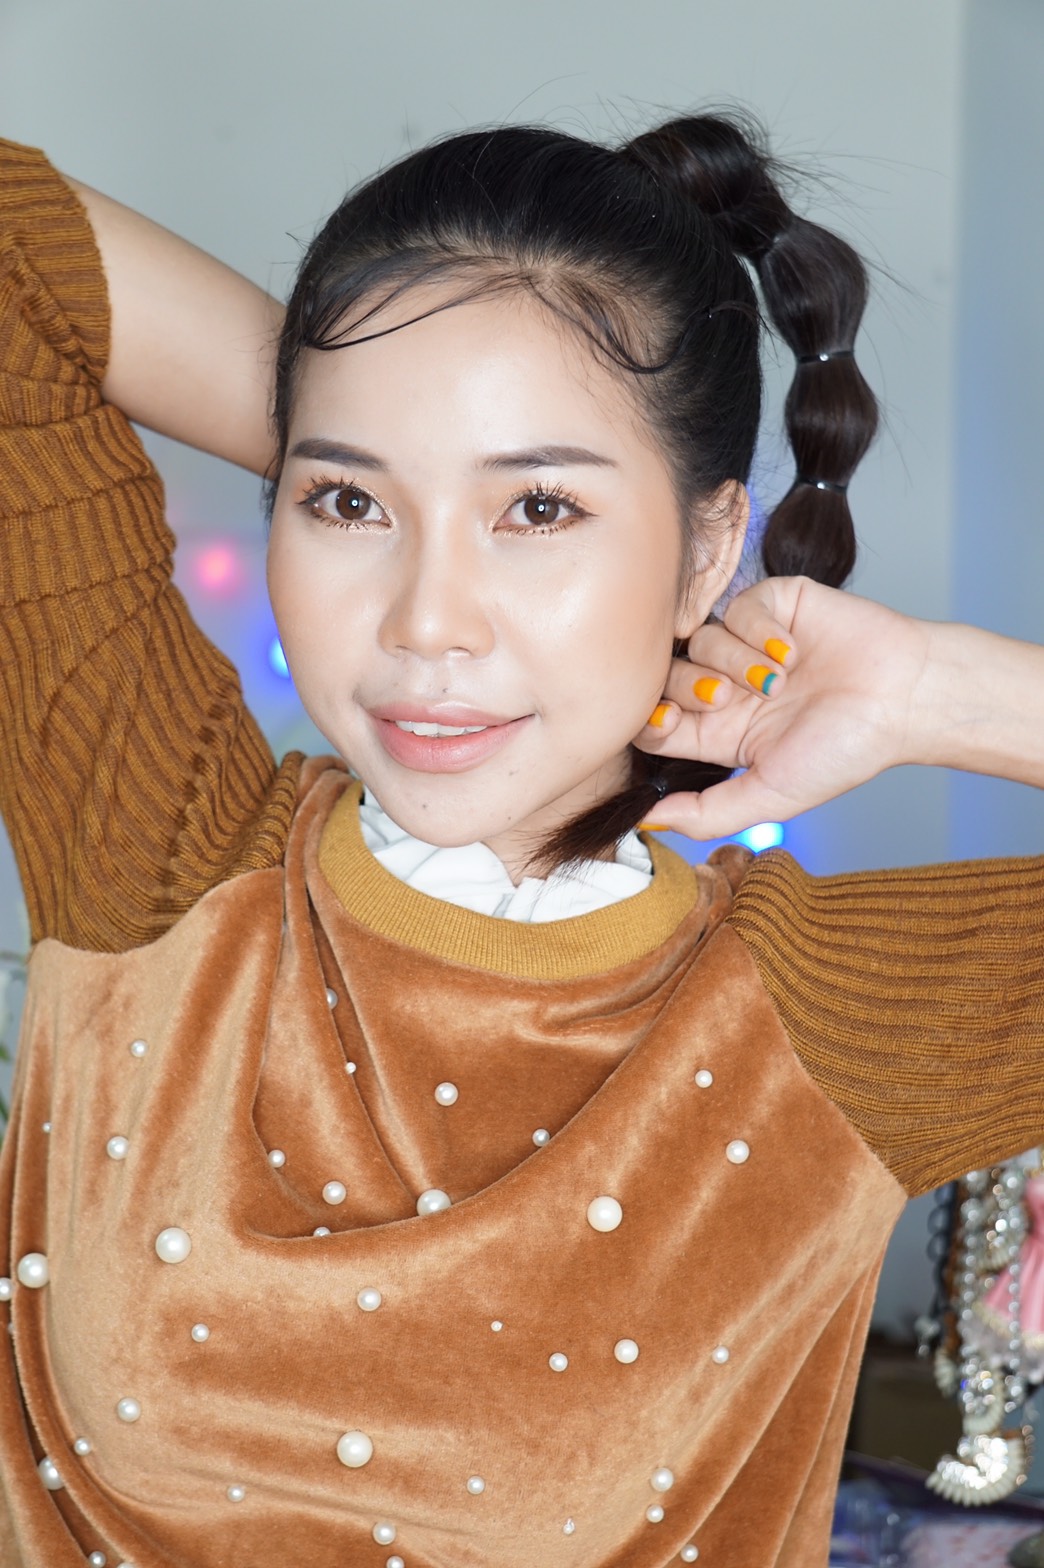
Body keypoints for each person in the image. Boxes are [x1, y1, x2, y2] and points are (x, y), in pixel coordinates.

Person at [0, 112, 1040, 1568]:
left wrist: (942, 691)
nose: (427, 621)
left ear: (707, 546)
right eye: (345, 502)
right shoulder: (161, 850)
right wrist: (359, 398)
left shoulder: (829, 1022)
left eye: (539, 507)